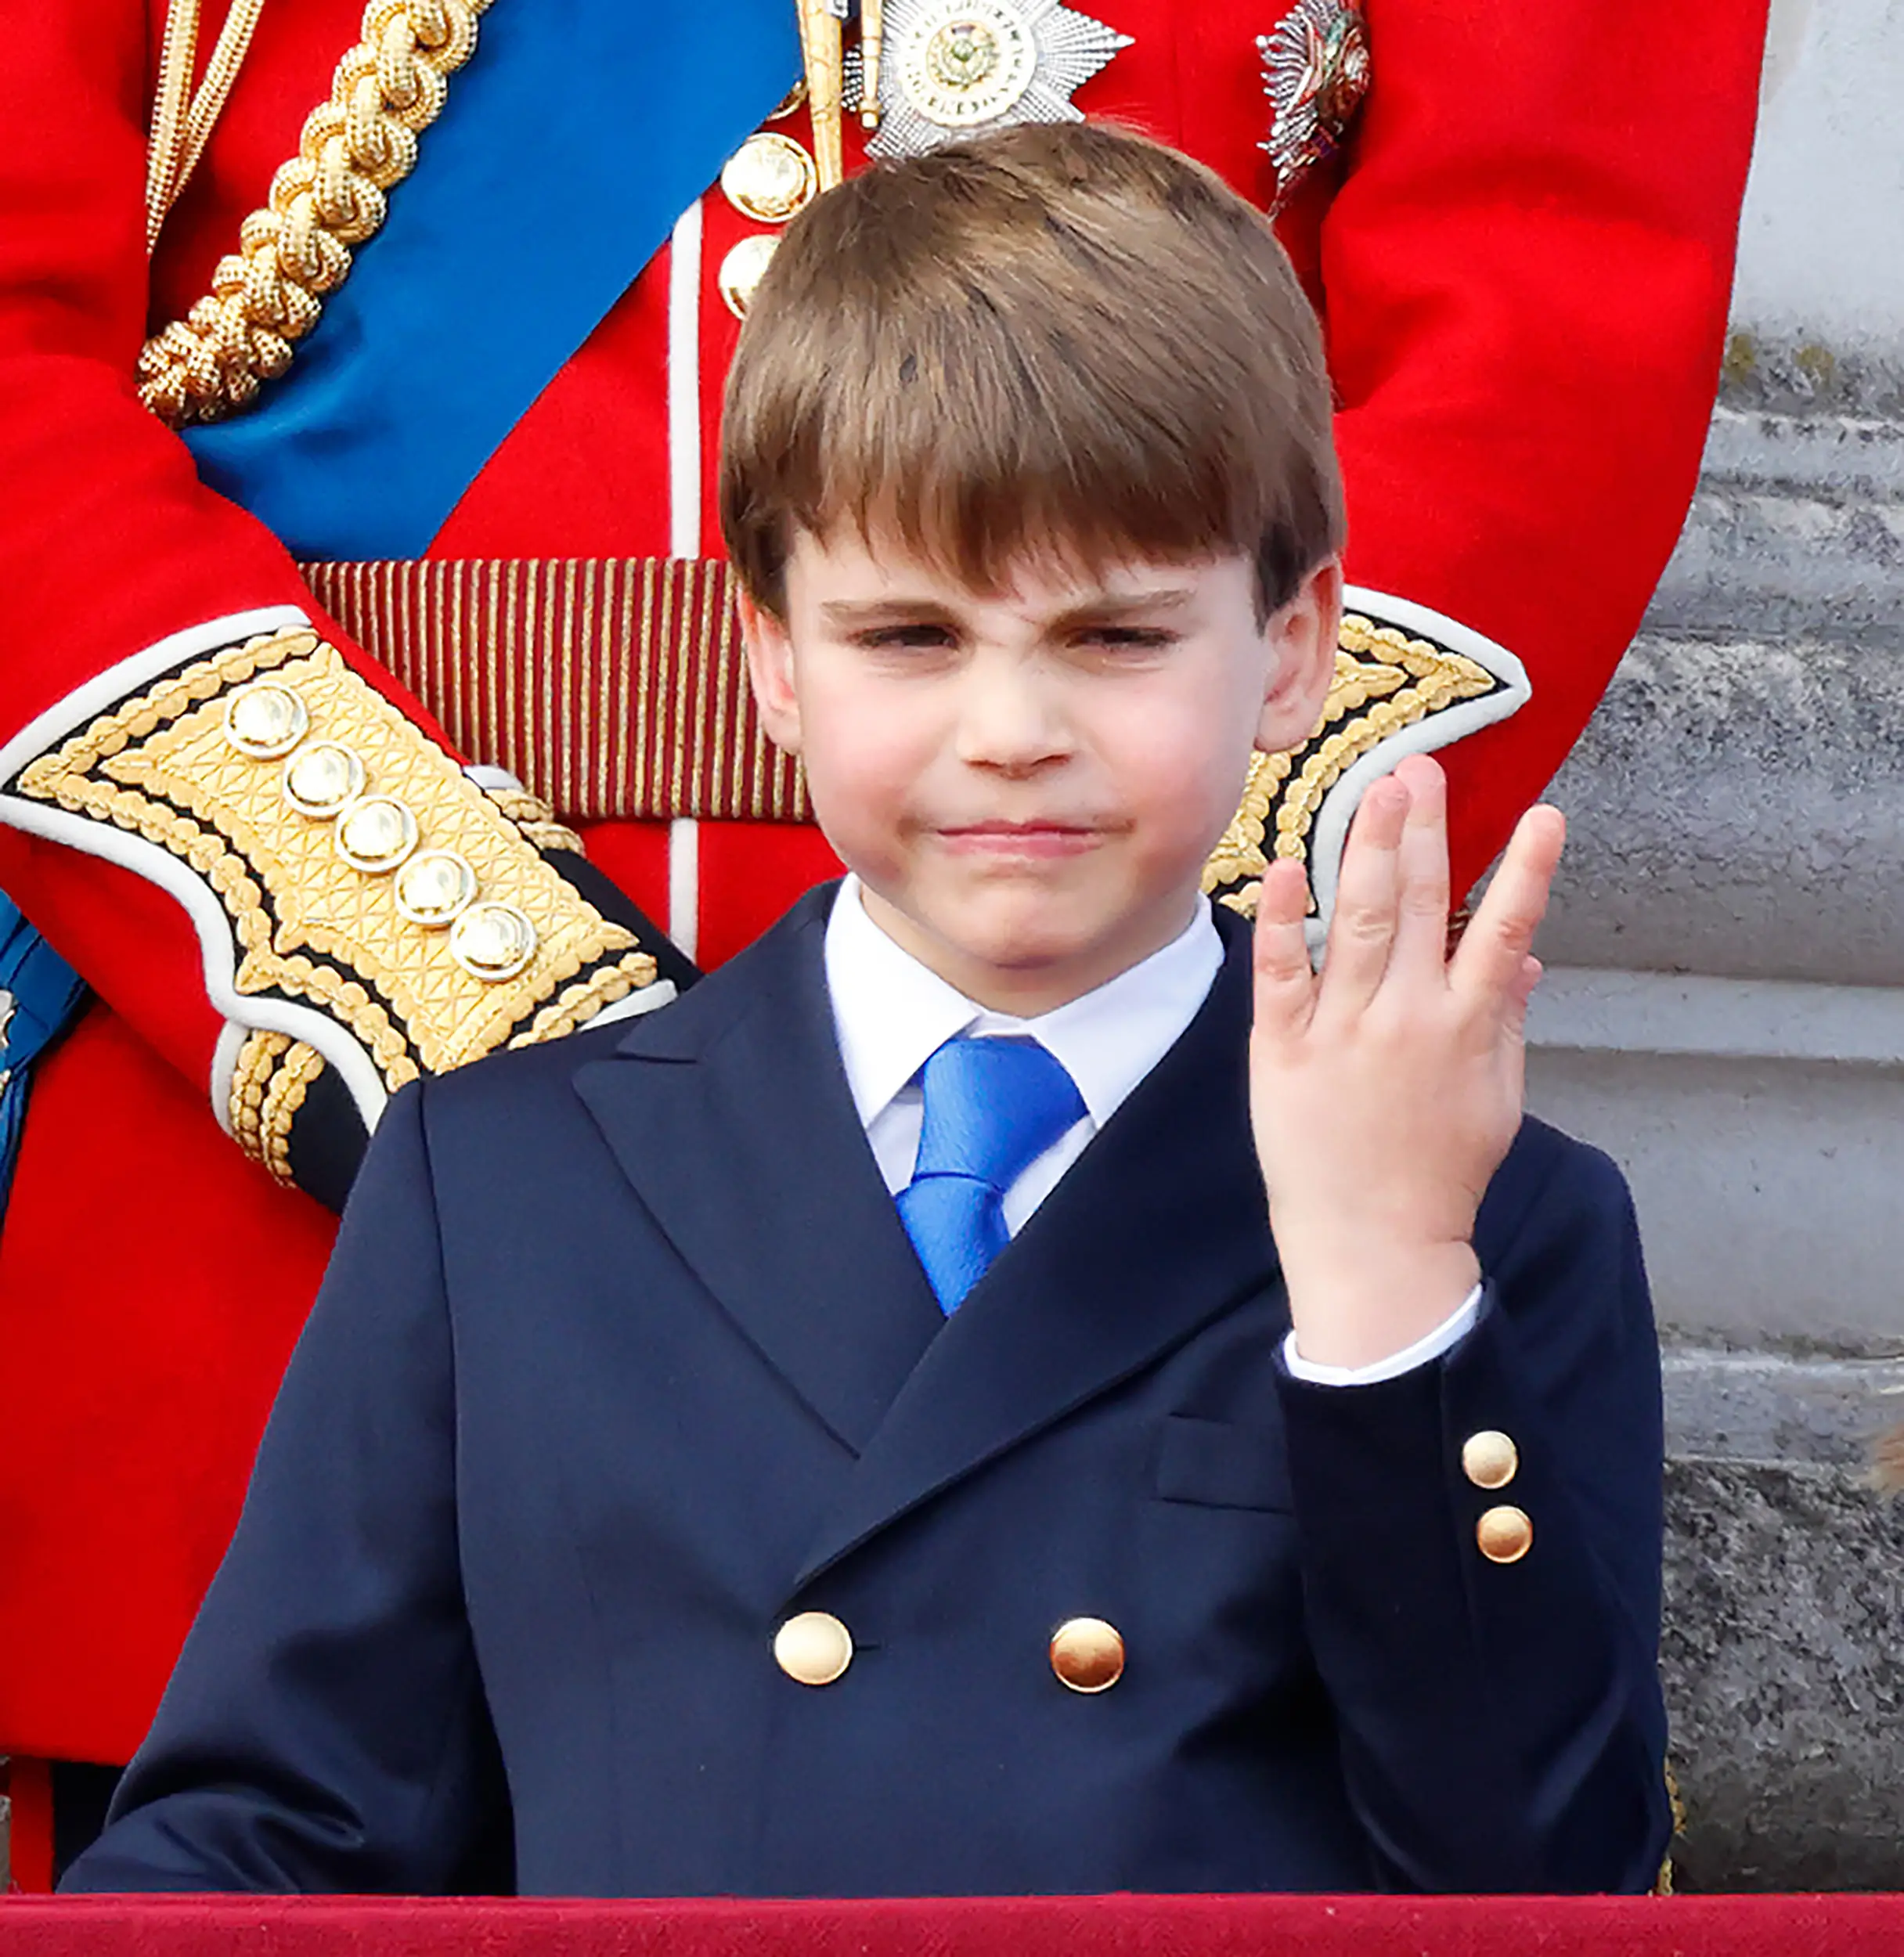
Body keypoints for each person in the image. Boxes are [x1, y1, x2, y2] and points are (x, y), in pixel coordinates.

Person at [0, 0, 1763, 1880]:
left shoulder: (1479, 1227)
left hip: (1199, 1230)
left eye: (1096, 648)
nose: (1008, 727)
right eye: (919, 642)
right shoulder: (488, 1190)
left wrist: (1234, 1135)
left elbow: (1543, 325)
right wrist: (481, 1012)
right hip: (290, 1162)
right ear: (785, 650)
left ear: (1289, 640)